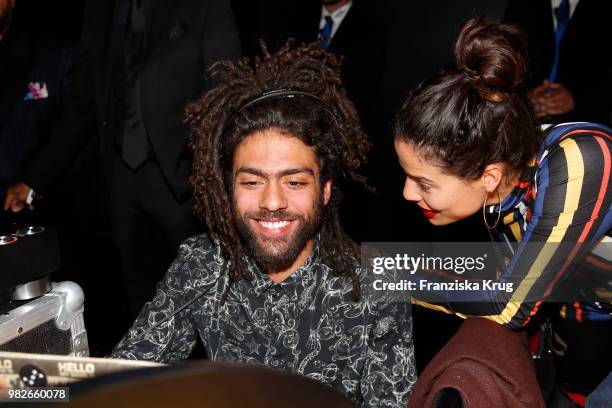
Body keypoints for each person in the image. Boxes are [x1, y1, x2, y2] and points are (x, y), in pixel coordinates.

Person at [110, 42, 416, 407]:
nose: (272, 202)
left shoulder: (377, 285)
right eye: (252, 182)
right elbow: (124, 377)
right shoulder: (200, 265)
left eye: (295, 182)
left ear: (325, 190)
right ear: (228, 189)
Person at [393, 18, 611, 394]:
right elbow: (504, 278)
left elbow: (510, 304)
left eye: (424, 182)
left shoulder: (581, 158)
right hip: (580, 345)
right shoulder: (501, 193)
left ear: (489, 176)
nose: (408, 193)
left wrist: (382, 271)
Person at [4, 0, 241, 318]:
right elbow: (84, 103)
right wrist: (36, 178)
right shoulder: (101, 8)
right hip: (123, 184)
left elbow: (226, 97)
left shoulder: (204, 5)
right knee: (141, 307)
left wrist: (215, 183)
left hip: (187, 185)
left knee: (207, 307)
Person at [503, 0, 612, 125]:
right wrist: (521, 99)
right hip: (521, 124)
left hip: (586, 126)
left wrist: (577, 100)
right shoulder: (521, 5)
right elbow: (502, 60)